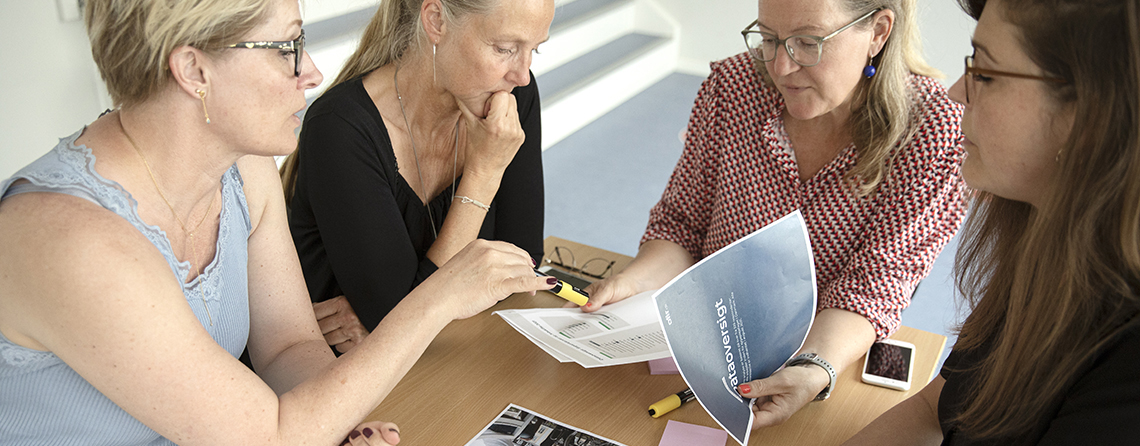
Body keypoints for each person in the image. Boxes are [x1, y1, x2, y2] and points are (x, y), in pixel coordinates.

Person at [0, 0, 554, 444]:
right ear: (194, 70)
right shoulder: (70, 240)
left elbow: (287, 349)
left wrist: (335, 424)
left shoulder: (242, 164)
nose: (311, 72)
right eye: (287, 48)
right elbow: (271, 434)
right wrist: (439, 297)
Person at [578, 0, 968, 429]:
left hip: (825, 352)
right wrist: (635, 281)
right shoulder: (734, 86)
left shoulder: (932, 130)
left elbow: (874, 285)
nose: (780, 66)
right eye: (768, 38)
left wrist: (813, 367)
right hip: (708, 339)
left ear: (878, 32)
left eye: (808, 42)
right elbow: (683, 224)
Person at [844, 0, 1140, 444]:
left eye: (984, 71)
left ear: (1090, 112)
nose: (957, 91)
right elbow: (939, 407)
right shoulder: (1046, 242)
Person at [282, 0, 551, 354]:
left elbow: (520, 266)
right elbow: (396, 319)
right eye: (505, 49)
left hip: (445, 362)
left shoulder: (513, 98)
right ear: (436, 20)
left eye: (533, 49)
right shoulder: (340, 128)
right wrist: (485, 172)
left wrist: (402, 314)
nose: (522, 74)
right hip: (336, 376)